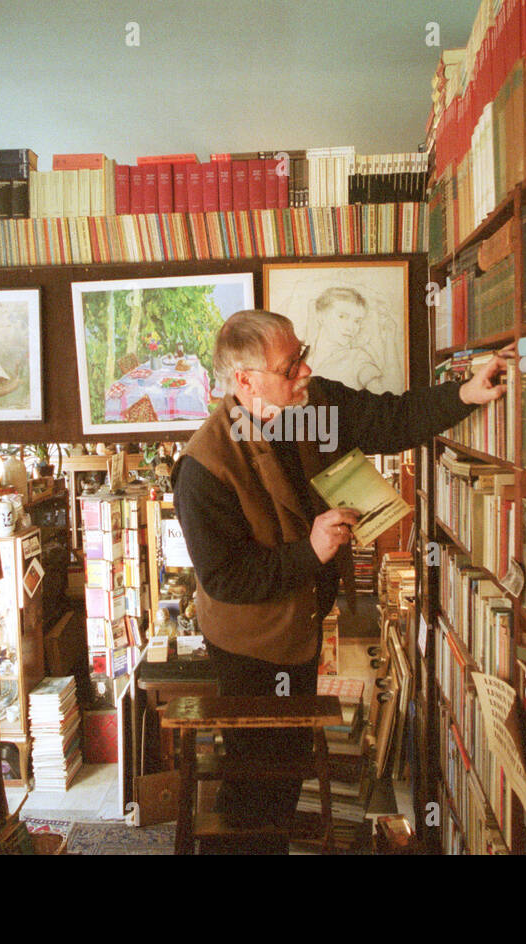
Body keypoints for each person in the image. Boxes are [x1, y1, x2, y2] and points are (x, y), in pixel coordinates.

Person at [171, 308, 506, 851]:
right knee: (257, 783)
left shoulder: (314, 402)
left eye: (302, 354)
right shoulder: (203, 467)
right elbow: (226, 578)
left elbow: (389, 419)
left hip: (300, 625)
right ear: (244, 382)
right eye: (290, 366)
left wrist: (463, 394)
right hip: (251, 645)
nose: (305, 370)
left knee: (285, 774)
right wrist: (311, 553)